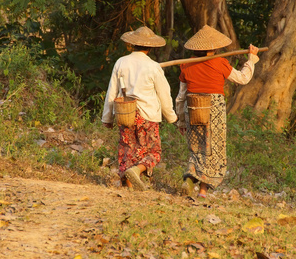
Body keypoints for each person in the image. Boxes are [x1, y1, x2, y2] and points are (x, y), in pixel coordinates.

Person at [176, 25, 259, 199]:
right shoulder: (219, 62)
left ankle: (190, 178)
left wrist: (181, 120)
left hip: (192, 108)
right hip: (213, 109)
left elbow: (180, 97)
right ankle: (203, 191)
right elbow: (242, 78)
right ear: (213, 48)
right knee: (212, 149)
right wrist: (251, 60)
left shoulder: (186, 65)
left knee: (196, 147)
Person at [102, 26, 178, 191]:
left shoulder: (121, 62)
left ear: (132, 45)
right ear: (150, 47)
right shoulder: (154, 67)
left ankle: (130, 187)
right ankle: (137, 170)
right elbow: (165, 95)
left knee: (128, 150)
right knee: (153, 152)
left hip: (125, 114)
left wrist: (107, 118)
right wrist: (172, 117)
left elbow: (111, 91)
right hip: (148, 116)